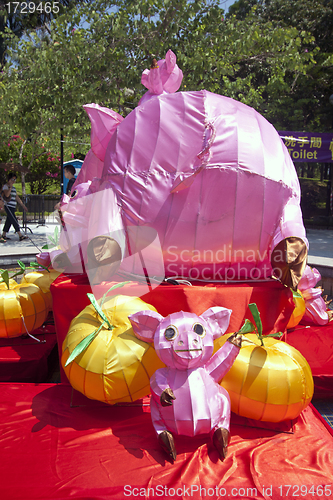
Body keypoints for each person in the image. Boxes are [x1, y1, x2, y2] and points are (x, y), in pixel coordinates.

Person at [1, 172, 28, 241]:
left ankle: (3, 235)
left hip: (13, 206)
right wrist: (9, 187)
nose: (13, 181)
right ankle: (20, 235)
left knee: (9, 221)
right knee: (14, 220)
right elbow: (7, 195)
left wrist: (23, 205)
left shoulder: (14, 188)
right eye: (12, 179)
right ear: (9, 179)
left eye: (15, 180)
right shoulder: (6, 186)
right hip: (8, 206)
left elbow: (17, 197)